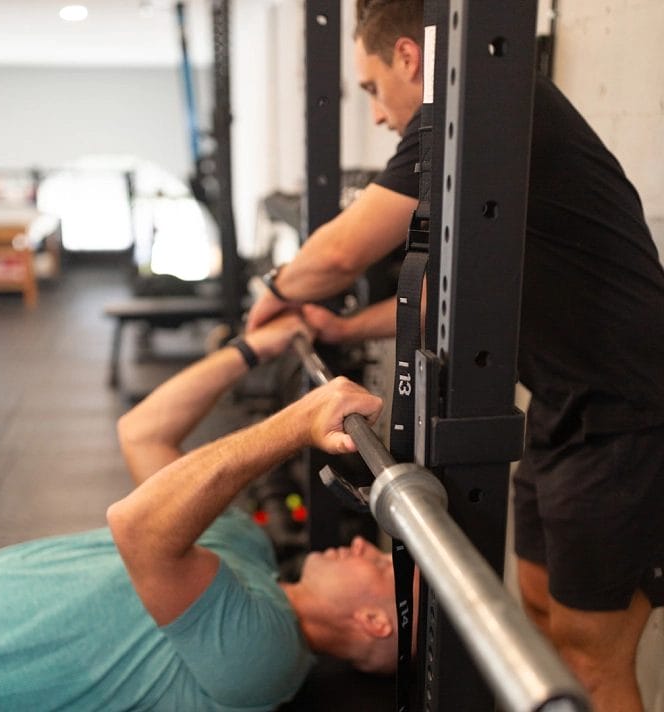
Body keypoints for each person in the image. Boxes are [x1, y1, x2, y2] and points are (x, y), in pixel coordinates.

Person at [246, 2, 664, 710]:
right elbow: (446, 286)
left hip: (627, 415)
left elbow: (342, 253)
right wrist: (341, 333)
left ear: (409, 57)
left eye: (373, 87)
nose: (377, 115)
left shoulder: (464, 117)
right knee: (536, 614)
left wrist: (268, 300)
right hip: (562, 410)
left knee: (592, 658)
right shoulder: (475, 128)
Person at [0, 313, 398, 712]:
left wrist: (299, 424)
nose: (363, 544)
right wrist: (252, 348)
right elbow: (143, 432)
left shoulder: (267, 659)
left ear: (374, 622)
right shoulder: (248, 548)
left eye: (381, 564)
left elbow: (138, 528)